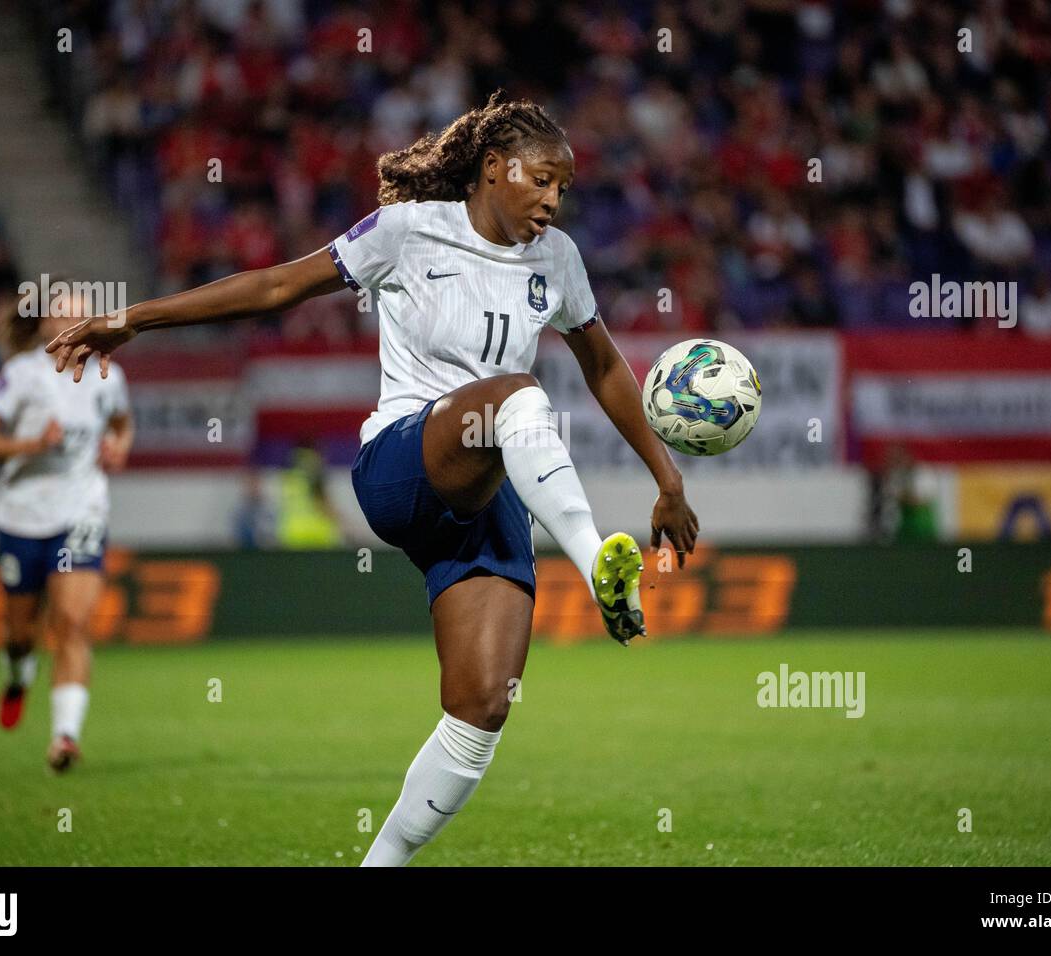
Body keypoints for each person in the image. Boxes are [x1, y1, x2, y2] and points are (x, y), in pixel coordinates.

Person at [45, 91, 699, 864]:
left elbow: (604, 366)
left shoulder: (556, 260)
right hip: (402, 464)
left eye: (564, 188)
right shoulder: (407, 231)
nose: (554, 201)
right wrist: (133, 320)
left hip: (489, 497)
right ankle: (596, 563)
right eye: (541, 180)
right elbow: (273, 287)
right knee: (518, 396)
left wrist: (669, 480)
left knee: (480, 709)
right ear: (493, 168)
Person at [0, 288, 133, 771]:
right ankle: (17, 676)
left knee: (73, 624)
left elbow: (122, 423)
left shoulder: (107, 374)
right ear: (41, 325)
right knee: (20, 634)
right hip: (22, 517)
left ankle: (65, 737)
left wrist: (118, 445)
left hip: (81, 513)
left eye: (81, 313)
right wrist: (32, 444)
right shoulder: (21, 376)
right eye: (62, 313)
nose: (73, 321)